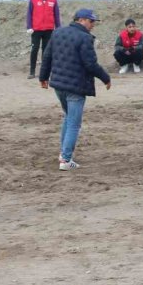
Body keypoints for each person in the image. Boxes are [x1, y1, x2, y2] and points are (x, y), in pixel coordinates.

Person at [39, 9, 111, 171]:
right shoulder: (84, 38)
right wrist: (105, 77)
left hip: (58, 84)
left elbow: (47, 56)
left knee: (68, 118)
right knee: (74, 123)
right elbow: (90, 64)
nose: (93, 25)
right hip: (76, 86)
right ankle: (65, 159)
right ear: (82, 20)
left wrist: (43, 77)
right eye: (92, 22)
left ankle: (63, 153)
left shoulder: (57, 33)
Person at [27, 0, 61, 79]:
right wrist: (29, 26)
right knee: (34, 49)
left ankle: (44, 72)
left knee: (46, 51)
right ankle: (32, 71)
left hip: (48, 29)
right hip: (36, 29)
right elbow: (29, 13)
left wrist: (58, 28)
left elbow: (56, 15)